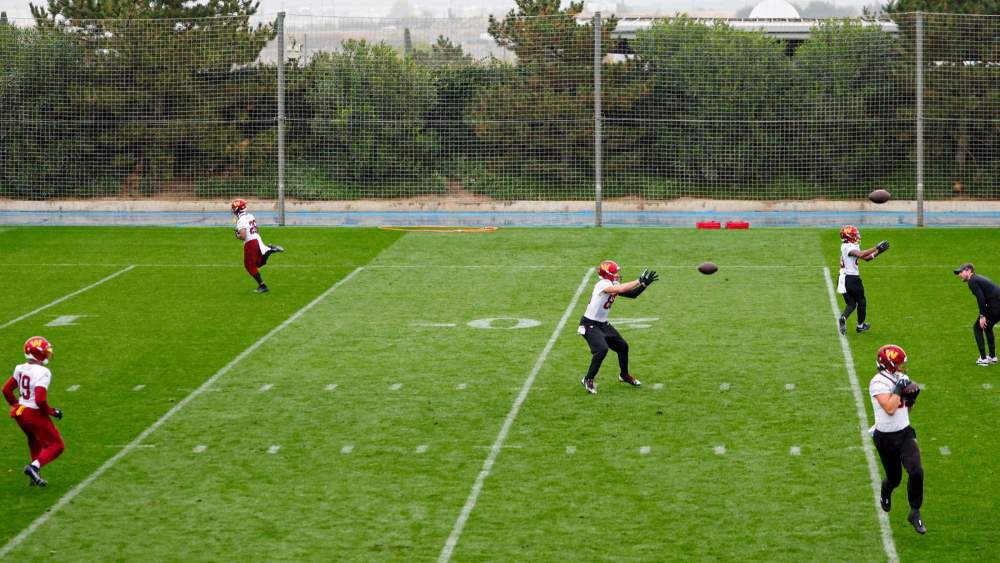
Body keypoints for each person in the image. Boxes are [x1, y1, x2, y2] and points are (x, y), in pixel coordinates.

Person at [869, 344, 926, 534]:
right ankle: (886, 489)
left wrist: (912, 400)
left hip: (905, 433)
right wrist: (899, 389)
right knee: (895, 479)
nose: (902, 367)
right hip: (885, 437)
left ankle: (915, 512)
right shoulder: (878, 382)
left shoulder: (899, 377)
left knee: (916, 471)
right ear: (889, 364)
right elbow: (890, 408)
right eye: (899, 363)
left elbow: (904, 410)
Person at [579, 260, 658, 394]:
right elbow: (620, 289)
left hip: (602, 324)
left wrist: (644, 285)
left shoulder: (611, 284)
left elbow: (632, 295)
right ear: (607, 274)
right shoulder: (602, 284)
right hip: (589, 324)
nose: (617, 274)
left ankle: (624, 375)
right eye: (615, 272)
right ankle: (588, 379)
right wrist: (639, 280)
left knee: (623, 347)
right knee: (602, 350)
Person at [2, 336, 65, 487]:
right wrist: (52, 411)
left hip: (21, 413)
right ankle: (34, 467)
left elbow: (6, 390)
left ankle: (34, 476)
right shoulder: (43, 372)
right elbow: (40, 400)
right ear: (38, 353)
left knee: (34, 440)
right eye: (45, 351)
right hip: (34, 413)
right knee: (57, 445)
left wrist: (16, 405)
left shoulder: (20, 368)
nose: (48, 353)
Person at [837, 225, 889, 335]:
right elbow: (861, 254)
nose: (857, 236)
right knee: (862, 301)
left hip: (842, 279)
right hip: (851, 278)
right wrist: (876, 247)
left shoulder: (848, 246)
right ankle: (860, 326)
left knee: (851, 303)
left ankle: (843, 318)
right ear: (848, 236)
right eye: (854, 234)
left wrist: (879, 251)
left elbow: (866, 258)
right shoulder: (847, 246)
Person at [232, 199, 284, 293]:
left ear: (238, 209)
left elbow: (243, 236)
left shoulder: (241, 220)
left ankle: (262, 286)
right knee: (258, 263)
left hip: (250, 243)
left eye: (234, 208)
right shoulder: (250, 216)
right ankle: (269, 251)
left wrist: (237, 235)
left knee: (249, 266)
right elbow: (257, 229)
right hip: (257, 238)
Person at [954, 263, 1000, 366]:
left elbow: (981, 298)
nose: (959, 275)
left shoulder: (972, 281)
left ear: (968, 270)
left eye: (961, 272)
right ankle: (992, 356)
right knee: (987, 327)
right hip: (997, 305)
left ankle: (983, 359)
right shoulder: (978, 278)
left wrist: (982, 316)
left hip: (996, 306)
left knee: (977, 328)